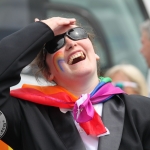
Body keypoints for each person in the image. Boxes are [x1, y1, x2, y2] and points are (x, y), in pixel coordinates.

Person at [0, 17, 150, 150]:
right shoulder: (27, 117)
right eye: (56, 43)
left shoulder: (141, 110)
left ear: (95, 53)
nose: (71, 43)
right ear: (48, 73)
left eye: (77, 34)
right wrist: (40, 31)